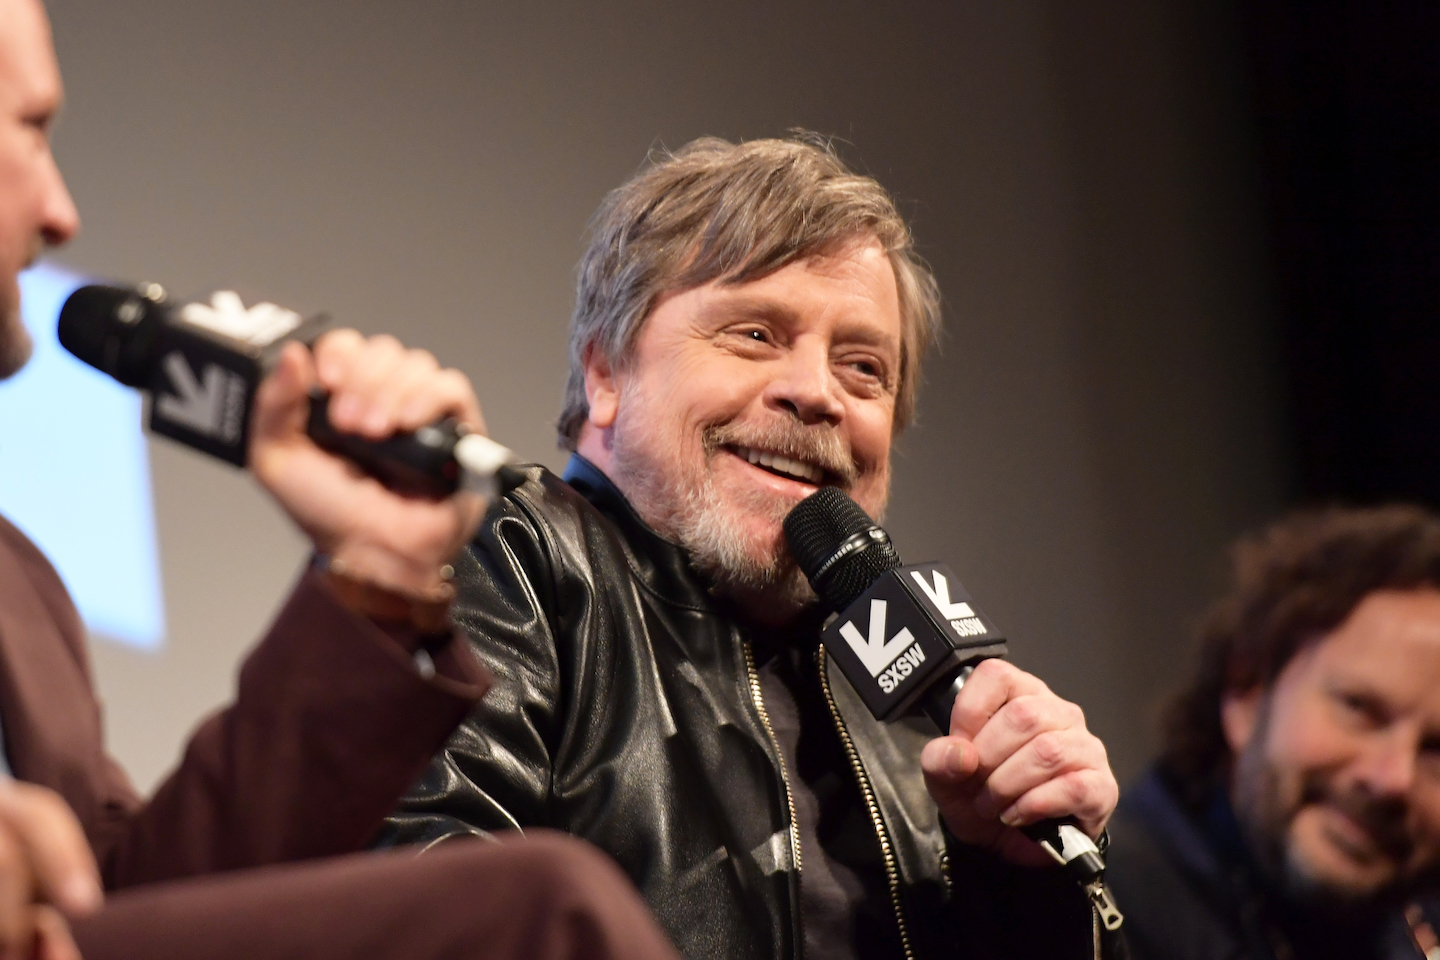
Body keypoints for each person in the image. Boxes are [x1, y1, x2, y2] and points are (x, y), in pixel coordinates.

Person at [0, 1, 682, 958]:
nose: (62, 213)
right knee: (546, 911)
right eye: (30, 129)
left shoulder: (17, 583)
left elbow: (132, 912)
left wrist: (378, 573)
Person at [381, 135, 1122, 959]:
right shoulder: (500, 554)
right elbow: (420, 913)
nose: (815, 393)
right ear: (605, 373)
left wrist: (1022, 882)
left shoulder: (912, 700)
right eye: (756, 335)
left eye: (864, 367)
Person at [1105, 506, 1440, 960]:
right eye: (1360, 709)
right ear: (1248, 690)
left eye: (1436, 751)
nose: (1392, 778)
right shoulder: (1086, 918)